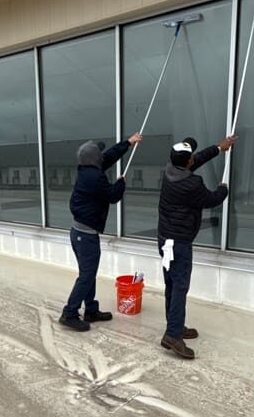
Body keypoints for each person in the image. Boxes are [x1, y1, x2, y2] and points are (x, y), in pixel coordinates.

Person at [157, 135, 237, 358]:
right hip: (179, 243)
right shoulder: (191, 184)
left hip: (165, 240)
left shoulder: (169, 170)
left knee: (172, 285)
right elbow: (211, 199)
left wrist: (219, 148)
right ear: (187, 163)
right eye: (191, 157)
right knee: (179, 287)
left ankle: (175, 326)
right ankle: (173, 335)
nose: (194, 158)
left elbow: (195, 160)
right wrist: (224, 188)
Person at [59, 133, 142, 331]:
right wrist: (121, 182)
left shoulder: (88, 170)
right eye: (99, 153)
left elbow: (109, 156)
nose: (102, 155)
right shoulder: (94, 177)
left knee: (89, 274)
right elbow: (113, 196)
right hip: (84, 236)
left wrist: (128, 143)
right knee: (86, 276)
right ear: (94, 158)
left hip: (82, 233)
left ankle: (91, 310)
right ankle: (69, 313)